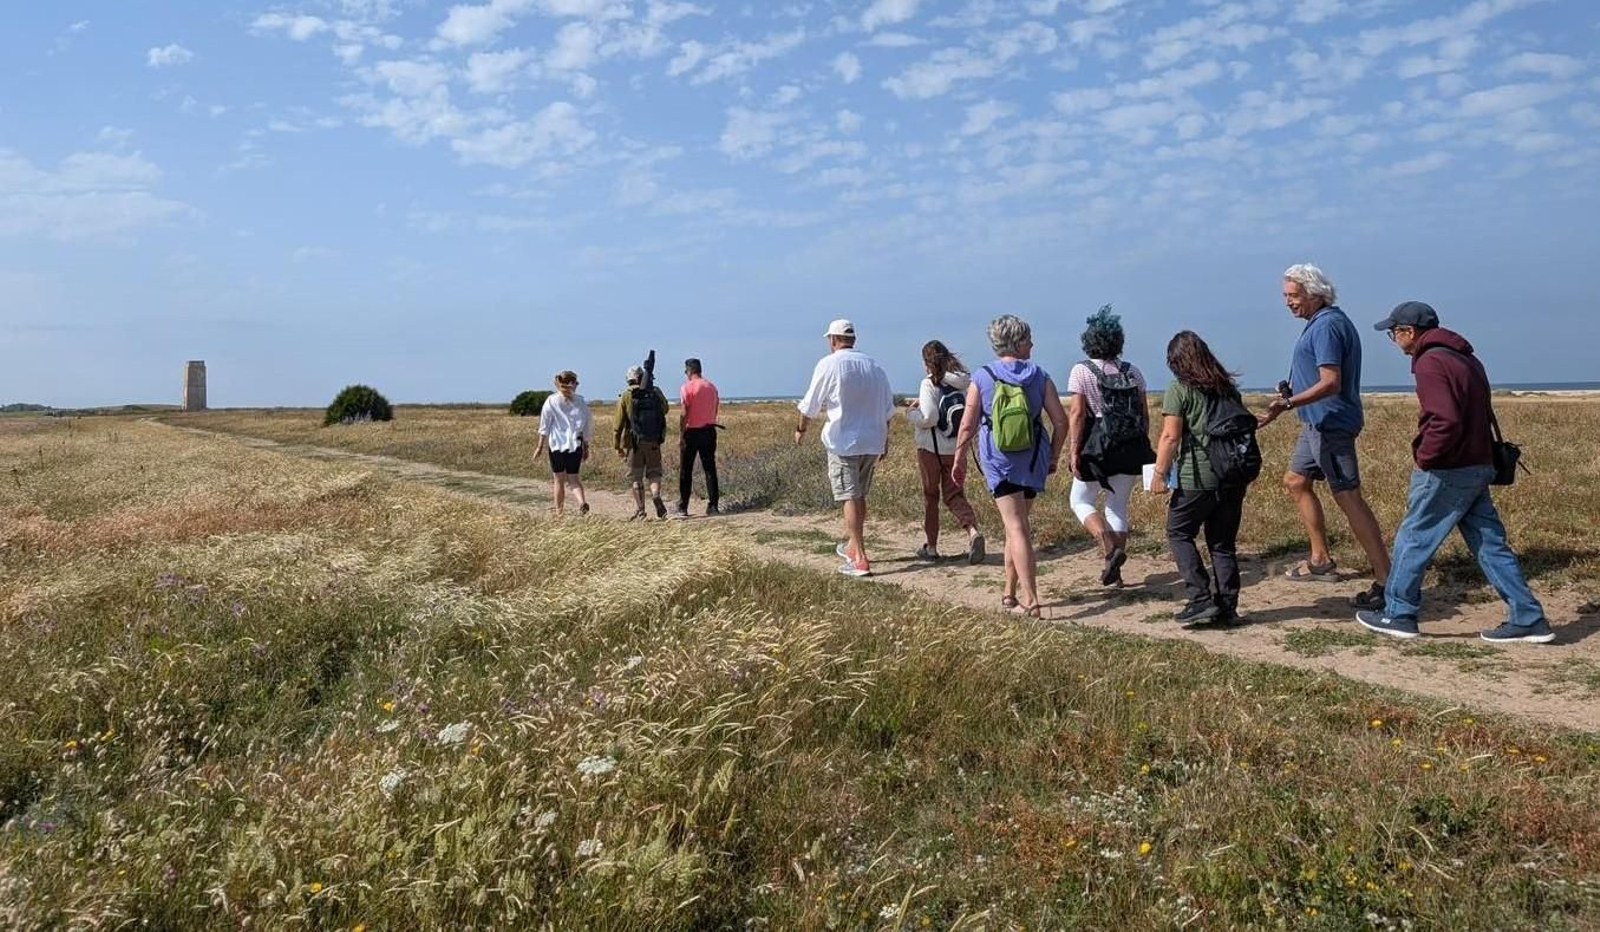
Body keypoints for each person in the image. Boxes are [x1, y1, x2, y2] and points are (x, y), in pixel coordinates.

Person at [1356, 302, 1554, 643]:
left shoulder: (1430, 361)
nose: (1392, 339)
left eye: (1393, 332)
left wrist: (1425, 457)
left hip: (1449, 467)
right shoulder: (1466, 358)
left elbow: (1444, 418)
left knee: (1414, 537)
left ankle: (1398, 612)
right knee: (1490, 543)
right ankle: (1527, 616)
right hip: (1478, 463)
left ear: (1409, 332)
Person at [1258, 263, 1391, 610]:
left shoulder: (1328, 326)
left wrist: (1287, 403)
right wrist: (1293, 393)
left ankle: (1386, 580)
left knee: (1348, 497)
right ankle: (1320, 560)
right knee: (1295, 480)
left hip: (1330, 423)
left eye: (1293, 295)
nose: (1288, 302)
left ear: (1315, 294)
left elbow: (1330, 381)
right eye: (1285, 296)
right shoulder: (1321, 323)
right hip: (1315, 422)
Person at [951, 315, 1068, 618]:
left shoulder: (982, 376)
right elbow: (1060, 421)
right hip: (1032, 460)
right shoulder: (1040, 376)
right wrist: (1053, 456)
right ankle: (1008, 593)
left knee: (1016, 527)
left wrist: (959, 457)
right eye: (1028, 339)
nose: (1032, 344)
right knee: (1017, 527)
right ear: (1016, 343)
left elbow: (967, 424)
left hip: (999, 461)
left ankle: (1030, 600)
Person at [1150, 331, 1252, 625]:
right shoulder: (1229, 389)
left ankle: (1200, 599)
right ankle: (1228, 607)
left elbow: (1170, 436)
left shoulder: (1179, 389)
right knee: (1222, 544)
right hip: (1233, 476)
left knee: (1178, 532)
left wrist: (1159, 474)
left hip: (1198, 477)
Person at [795, 319, 895, 577]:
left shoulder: (829, 364)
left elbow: (810, 405)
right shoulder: (874, 365)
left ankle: (860, 558)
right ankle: (853, 546)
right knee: (859, 494)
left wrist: (801, 429)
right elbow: (887, 409)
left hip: (844, 441)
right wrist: (885, 439)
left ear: (833, 340)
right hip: (872, 440)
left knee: (849, 495)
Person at [1066, 305, 1154, 588]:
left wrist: (1073, 451)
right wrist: (1141, 443)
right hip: (1130, 445)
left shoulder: (1081, 371)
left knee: (1080, 500)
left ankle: (1106, 545)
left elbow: (1078, 414)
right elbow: (1144, 412)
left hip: (1098, 445)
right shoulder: (1134, 372)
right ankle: (1116, 574)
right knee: (1117, 506)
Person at [902, 340, 985, 563]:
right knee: (955, 494)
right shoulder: (964, 383)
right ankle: (972, 531)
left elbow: (929, 417)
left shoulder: (929, 383)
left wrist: (911, 415)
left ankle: (931, 548)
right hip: (957, 449)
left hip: (931, 449)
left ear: (927, 362)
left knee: (931, 496)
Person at [531, 370, 592, 517]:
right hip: (575, 445)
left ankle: (559, 512)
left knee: (558, 479)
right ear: (574, 384)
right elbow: (587, 425)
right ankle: (581, 501)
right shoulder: (581, 401)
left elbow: (544, 427)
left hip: (556, 445)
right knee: (574, 478)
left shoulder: (551, 401)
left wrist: (539, 447)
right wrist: (586, 446)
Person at [614, 364, 670, 520]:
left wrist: (617, 445)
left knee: (636, 477)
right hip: (653, 440)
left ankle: (641, 511)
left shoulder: (626, 395)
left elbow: (618, 424)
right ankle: (656, 495)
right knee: (654, 473)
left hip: (634, 443)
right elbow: (665, 409)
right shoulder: (655, 391)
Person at [676, 357, 721, 518]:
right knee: (709, 468)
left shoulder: (686, 388)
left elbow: (684, 413)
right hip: (709, 430)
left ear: (689, 371)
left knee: (686, 470)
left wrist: (681, 434)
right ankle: (713, 505)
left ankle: (683, 506)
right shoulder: (712, 387)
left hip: (692, 432)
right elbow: (715, 409)